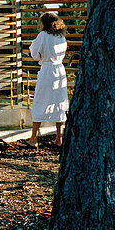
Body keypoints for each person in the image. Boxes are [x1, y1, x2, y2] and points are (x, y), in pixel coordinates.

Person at [29, 12, 68, 146]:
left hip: (47, 72)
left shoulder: (43, 36)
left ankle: (33, 138)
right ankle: (59, 138)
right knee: (59, 104)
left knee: (40, 101)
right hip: (60, 71)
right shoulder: (61, 37)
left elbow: (35, 54)